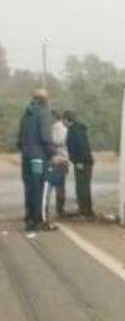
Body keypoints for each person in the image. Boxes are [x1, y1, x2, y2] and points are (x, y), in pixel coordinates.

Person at [16, 88, 55, 231]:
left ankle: (29, 219)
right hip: (39, 157)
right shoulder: (44, 113)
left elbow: (19, 139)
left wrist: (26, 151)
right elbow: (45, 136)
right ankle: (39, 220)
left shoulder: (25, 114)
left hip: (26, 157)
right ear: (45, 99)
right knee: (39, 188)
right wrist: (51, 154)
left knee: (29, 188)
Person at [64, 110, 94, 218]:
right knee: (83, 186)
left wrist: (79, 161)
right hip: (84, 161)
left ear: (66, 120)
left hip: (82, 162)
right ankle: (85, 210)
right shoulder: (78, 129)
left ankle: (86, 211)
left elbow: (80, 146)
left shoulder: (74, 130)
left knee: (82, 187)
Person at [45, 110, 70, 218]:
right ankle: (60, 209)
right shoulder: (63, 128)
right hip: (63, 160)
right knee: (60, 186)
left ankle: (46, 209)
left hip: (57, 160)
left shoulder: (57, 128)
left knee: (49, 186)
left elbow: (55, 141)